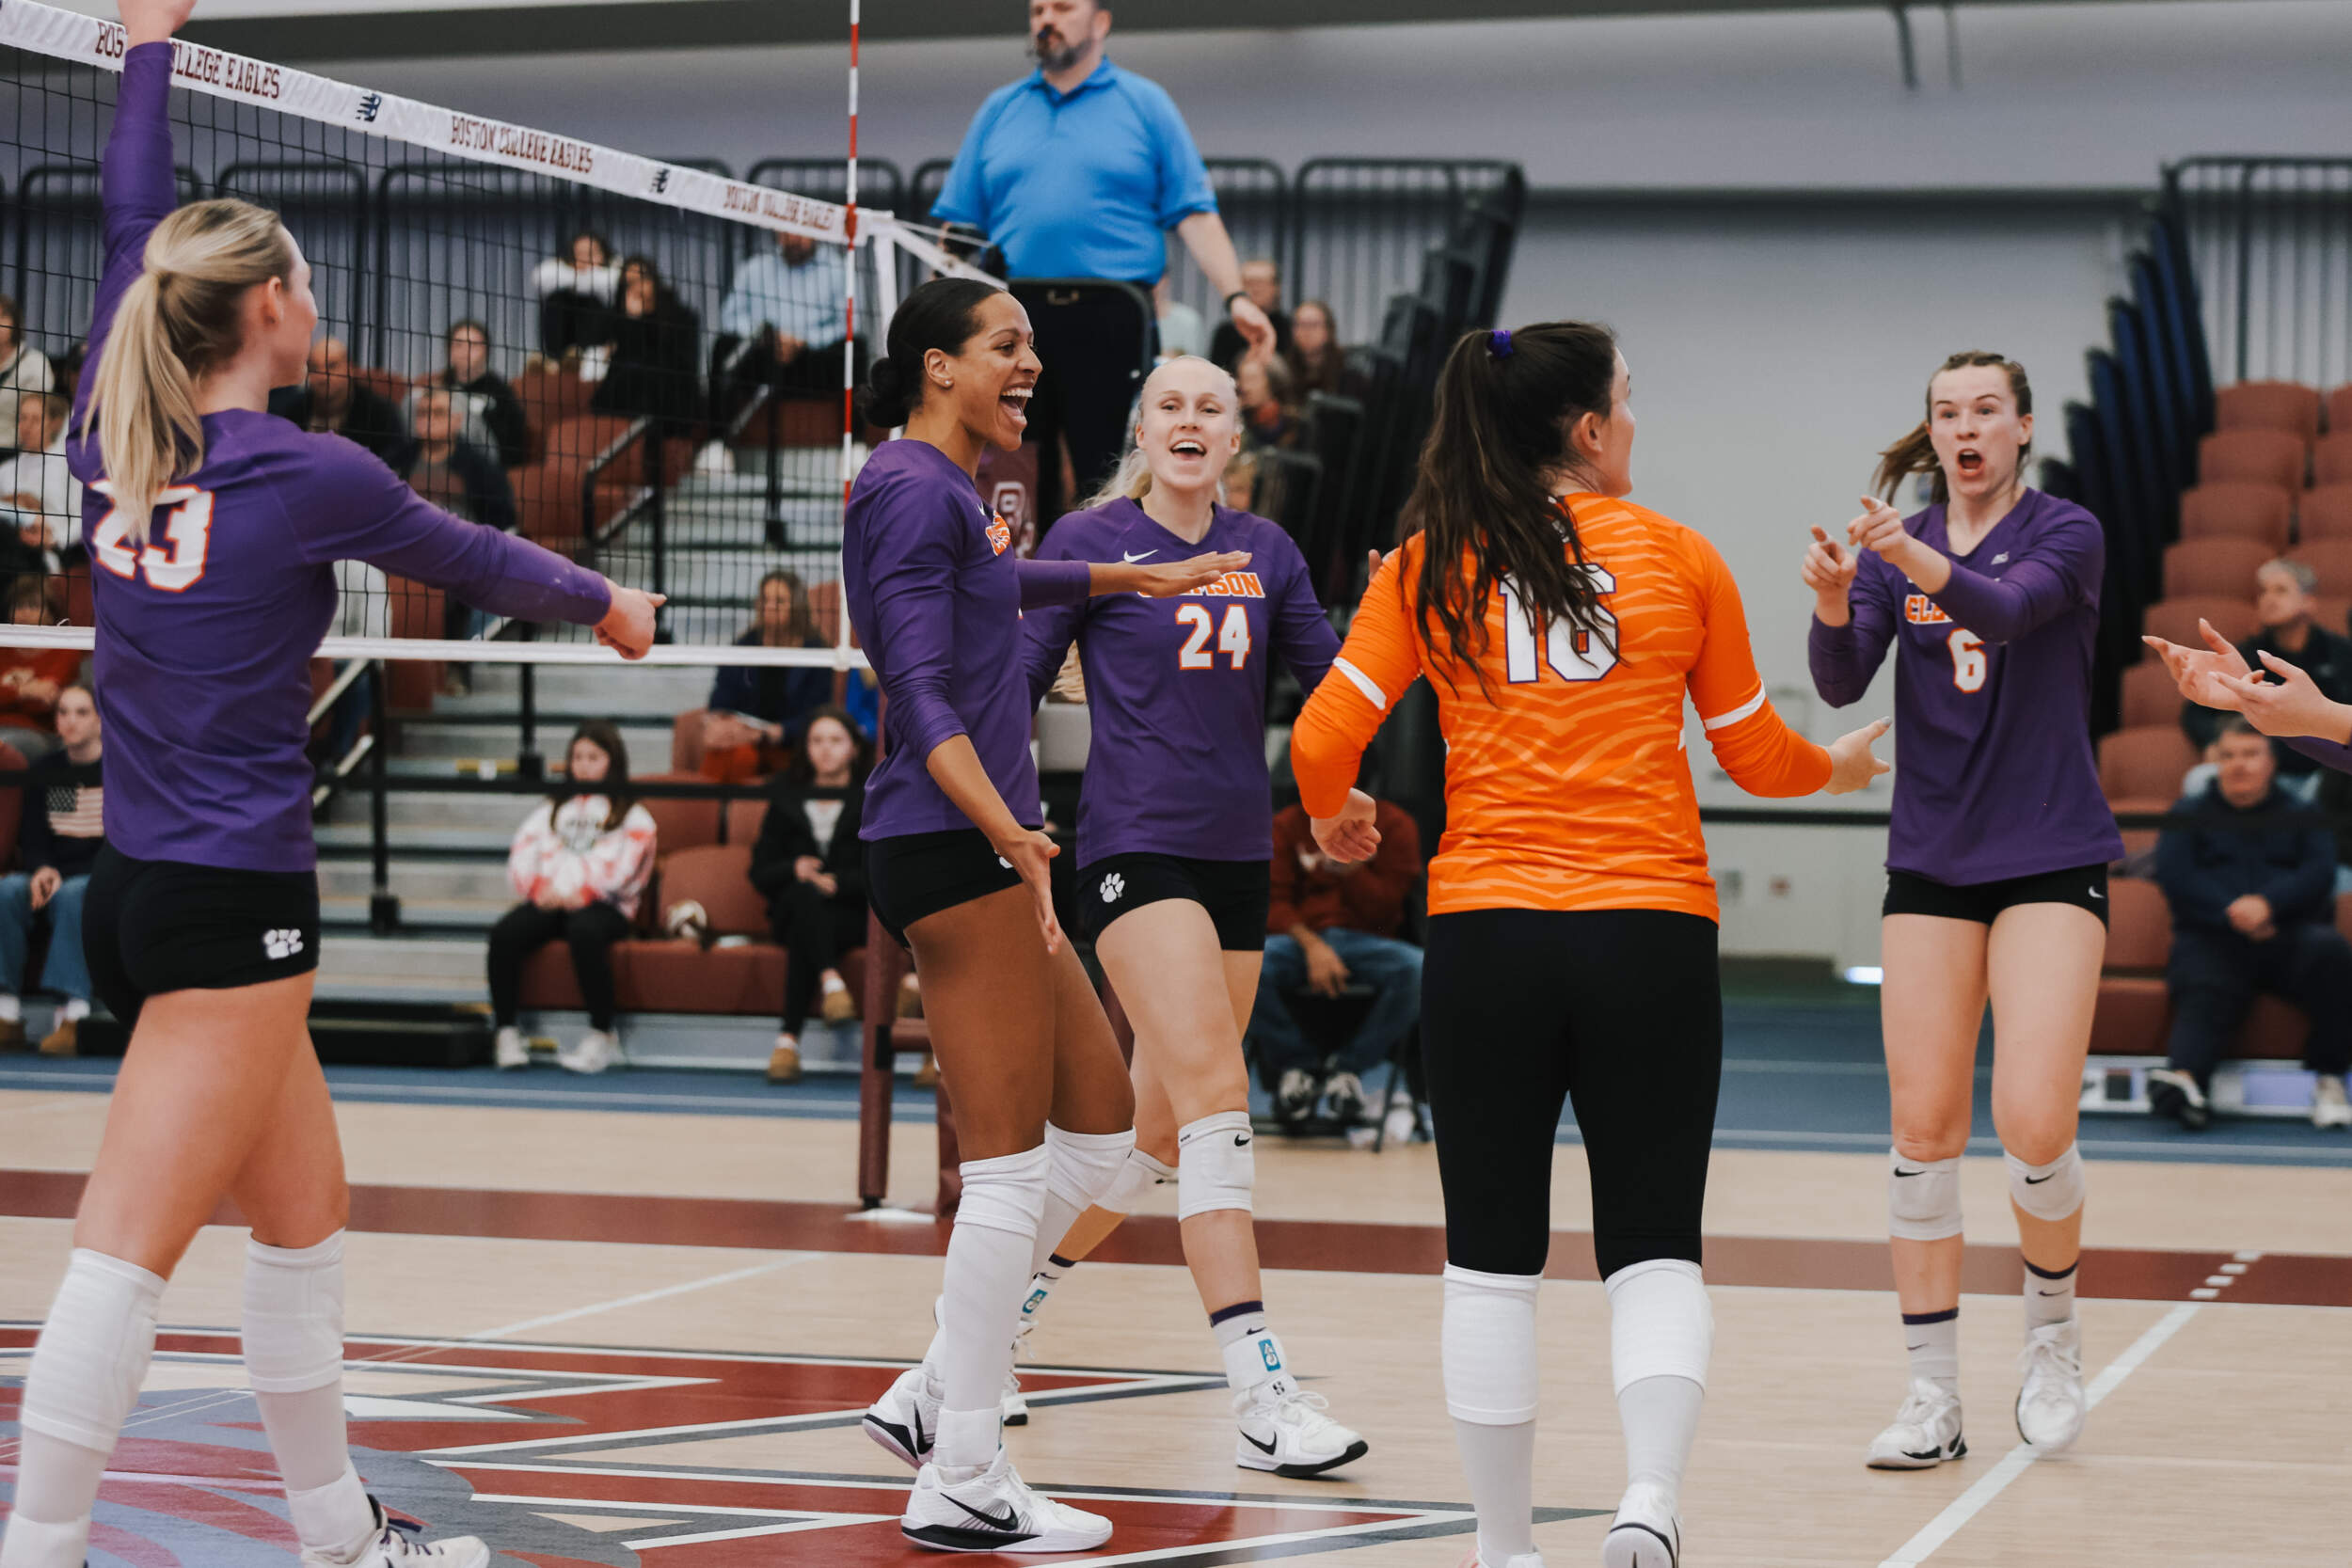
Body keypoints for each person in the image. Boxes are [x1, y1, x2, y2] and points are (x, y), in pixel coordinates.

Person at [0, 11, 661, 1568]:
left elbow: (128, 219)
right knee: (122, 1255)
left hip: (156, 891)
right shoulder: (309, 473)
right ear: (269, 309)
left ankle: (343, 1539)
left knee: (304, 1216)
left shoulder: (108, 431)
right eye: (300, 280)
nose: (317, 301)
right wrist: (612, 603)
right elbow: (482, 557)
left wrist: (148, 51)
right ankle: (39, 1547)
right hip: (231, 905)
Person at [1290, 321, 1889, 1568]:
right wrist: (1838, 766)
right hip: (1648, 931)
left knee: (1489, 1260)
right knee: (1655, 1245)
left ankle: (1504, 1546)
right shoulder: (1681, 555)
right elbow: (1752, 756)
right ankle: (1647, 1501)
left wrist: (1336, 815)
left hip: (1487, 935)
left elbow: (1318, 737)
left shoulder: (1429, 563)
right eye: (1627, 397)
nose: (1634, 418)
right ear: (1587, 428)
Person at [843, 277, 1248, 1552]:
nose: (1029, 364)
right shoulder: (909, 487)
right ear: (936, 364)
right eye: (1004, 345)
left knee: (1101, 1121)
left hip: (978, 837)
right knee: (1011, 1170)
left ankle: (929, 1388)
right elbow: (915, 684)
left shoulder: (954, 487)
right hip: (952, 839)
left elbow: (1003, 587)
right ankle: (962, 1468)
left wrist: (1139, 575)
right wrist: (1009, 829)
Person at [1010, 354, 1370, 1475]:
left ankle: (970, 1334)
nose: (1189, 418)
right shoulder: (1090, 539)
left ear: (1232, 440)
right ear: (1142, 429)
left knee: (1154, 1146)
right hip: (1134, 847)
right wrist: (1002, 821)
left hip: (1235, 857)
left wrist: (1342, 779)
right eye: (1169, 403)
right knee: (1220, 1104)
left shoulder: (1267, 551)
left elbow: (1332, 690)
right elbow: (1014, 680)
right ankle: (1262, 1397)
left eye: (1210, 406)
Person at [1805, 350, 2121, 1474]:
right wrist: (1835, 600)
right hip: (1933, 855)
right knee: (1922, 1133)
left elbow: (2008, 607)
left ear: (2021, 425)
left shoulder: (2064, 531)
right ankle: (1930, 1394)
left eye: (1986, 408)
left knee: (2033, 1123)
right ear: (1932, 432)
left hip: (2048, 849)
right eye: (1947, 412)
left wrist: (1904, 556)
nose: (1966, 426)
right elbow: (1840, 679)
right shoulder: (1898, 548)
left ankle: (2052, 1337)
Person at [930, 0, 1275, 524]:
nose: (1046, 19)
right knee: (1015, 470)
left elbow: (1195, 213)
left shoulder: (1145, 104)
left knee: (1112, 468)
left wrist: (1238, 297)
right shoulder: (1000, 109)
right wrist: (931, 313)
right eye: (1037, 10)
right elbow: (958, 229)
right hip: (1013, 316)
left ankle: (1115, 574)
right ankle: (1016, 573)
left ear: (1101, 22)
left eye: (1063, 7)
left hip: (1112, 318)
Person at [2150, 719, 2352, 1131]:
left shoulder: (2303, 813)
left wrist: (2268, 905)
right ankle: (2187, 1083)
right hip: (2213, 936)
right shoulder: (2187, 813)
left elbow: (2318, 873)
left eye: (2250, 754)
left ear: (2271, 761)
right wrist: (2232, 912)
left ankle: (2330, 1082)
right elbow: (2176, 877)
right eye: (2228, 755)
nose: (2239, 764)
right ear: (2215, 762)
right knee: (2202, 975)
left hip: (2287, 934)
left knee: (2331, 953)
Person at [486, 721, 656, 1077]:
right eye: (577, 757)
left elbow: (631, 867)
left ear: (612, 761)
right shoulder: (552, 809)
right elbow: (523, 851)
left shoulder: (633, 815)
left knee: (585, 932)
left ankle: (602, 1034)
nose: (584, 765)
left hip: (607, 905)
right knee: (505, 934)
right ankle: (506, 1031)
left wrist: (589, 891)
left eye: (593, 757)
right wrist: (537, 889)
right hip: (552, 900)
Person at [1250, 795, 1423, 1130]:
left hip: (1367, 941)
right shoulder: (1286, 825)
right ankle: (1298, 1069)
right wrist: (1313, 946)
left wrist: (1354, 871)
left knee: (1418, 969)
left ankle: (1346, 1070)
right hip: (1299, 938)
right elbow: (1271, 901)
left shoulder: (1394, 824)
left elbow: (1392, 908)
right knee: (1248, 963)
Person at [748, 706, 868, 1085]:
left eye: (835, 740)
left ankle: (788, 1041)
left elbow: (883, 870)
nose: (825, 749)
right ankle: (831, 982)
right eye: (817, 741)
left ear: (853, 748)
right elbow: (759, 872)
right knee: (804, 898)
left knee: (808, 927)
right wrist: (794, 869)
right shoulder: (786, 795)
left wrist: (840, 882)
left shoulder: (872, 796)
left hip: (852, 914)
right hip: (792, 911)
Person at [2179, 558, 2352, 782]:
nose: (2268, 599)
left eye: (2280, 591)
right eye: (2263, 592)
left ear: (2308, 602)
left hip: (2323, 769)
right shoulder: (2246, 653)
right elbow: (2194, 713)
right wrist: (2215, 740)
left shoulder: (2340, 652)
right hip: (2258, 768)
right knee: (2198, 779)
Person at [0, 684, 103, 1057]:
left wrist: (62, 876)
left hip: (99, 878)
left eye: (81, 712)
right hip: (53, 874)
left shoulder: (119, 772)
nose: (70, 721)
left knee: (74, 894)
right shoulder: (48, 770)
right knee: (8, 890)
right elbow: (35, 835)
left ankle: (72, 1014)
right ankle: (6, 1013)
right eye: (63, 712)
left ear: (101, 720)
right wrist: (43, 868)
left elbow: (120, 844)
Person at [700, 569, 834, 780]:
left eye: (779, 601)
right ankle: (713, 800)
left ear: (797, 606)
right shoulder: (744, 646)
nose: (770, 606)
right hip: (745, 740)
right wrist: (721, 722)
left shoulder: (817, 652)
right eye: (765, 600)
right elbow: (722, 698)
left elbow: (820, 713)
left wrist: (777, 732)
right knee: (734, 755)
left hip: (792, 743)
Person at [712, 229, 849, 419]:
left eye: (800, 230)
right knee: (723, 346)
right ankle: (718, 433)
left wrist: (805, 341)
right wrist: (763, 337)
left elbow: (849, 324)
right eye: (787, 231)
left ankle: (855, 433)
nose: (793, 237)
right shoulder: (754, 268)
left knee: (853, 349)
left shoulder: (838, 270)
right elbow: (730, 317)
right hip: (763, 353)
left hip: (812, 359)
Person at [590, 255, 702, 436]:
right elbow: (621, 358)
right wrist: (632, 320)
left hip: (671, 395)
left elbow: (676, 362)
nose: (636, 288)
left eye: (641, 280)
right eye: (629, 283)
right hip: (629, 393)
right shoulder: (618, 317)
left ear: (654, 281)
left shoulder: (680, 317)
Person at [269, 334, 406, 466]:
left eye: (332, 366)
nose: (323, 377)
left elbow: (393, 464)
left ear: (350, 369)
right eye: (314, 368)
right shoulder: (294, 412)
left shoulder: (380, 415)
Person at [399, 386, 515, 534]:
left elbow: (502, 521)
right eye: (422, 413)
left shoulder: (481, 467)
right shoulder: (398, 459)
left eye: (439, 413)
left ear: (457, 420)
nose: (429, 419)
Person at [429, 318, 529, 469]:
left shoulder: (501, 392)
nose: (465, 352)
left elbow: (513, 444)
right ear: (449, 350)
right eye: (458, 345)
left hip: (485, 469)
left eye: (474, 345)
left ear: (486, 351)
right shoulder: (435, 389)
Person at [0, 578, 79, 762]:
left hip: (37, 733)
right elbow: (36, 695)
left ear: (51, 614)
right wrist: (24, 691)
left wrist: (7, 692)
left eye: (33, 606)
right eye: (19, 606)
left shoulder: (65, 650)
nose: (25, 613)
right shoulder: (2, 647)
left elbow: (43, 704)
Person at [0, 391, 84, 563]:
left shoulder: (68, 465)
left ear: (54, 424)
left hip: (54, 555)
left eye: (36, 420)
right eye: (23, 418)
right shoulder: (6, 470)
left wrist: (55, 540)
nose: (27, 426)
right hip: (10, 550)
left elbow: (82, 519)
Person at [530, 228, 620, 363]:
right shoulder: (559, 272)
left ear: (604, 254)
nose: (585, 259)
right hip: (563, 342)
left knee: (592, 300)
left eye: (591, 253)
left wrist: (576, 277)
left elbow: (609, 281)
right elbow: (539, 277)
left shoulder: (615, 271)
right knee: (557, 299)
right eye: (579, 253)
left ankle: (581, 356)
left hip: (597, 347)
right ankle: (556, 360)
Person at [1210, 257, 1291, 371]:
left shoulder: (1291, 328)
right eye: (1249, 283)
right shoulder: (1225, 332)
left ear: (1276, 287)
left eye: (1261, 282)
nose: (1255, 289)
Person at [0, 293, 56, 451]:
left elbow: (38, 416)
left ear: (14, 322)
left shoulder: (34, 363)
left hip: (16, 451)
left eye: (3, 316)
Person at [1286, 298, 1357, 400]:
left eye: (1313, 325)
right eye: (1299, 324)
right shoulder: (1284, 370)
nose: (1306, 332)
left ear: (1328, 331)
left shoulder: (1348, 373)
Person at [1236, 353, 1300, 451]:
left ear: (1272, 381)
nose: (1245, 387)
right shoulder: (1239, 418)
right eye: (1242, 379)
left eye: (1252, 379)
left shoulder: (1293, 422)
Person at [1153, 276, 1207, 361]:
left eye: (1154, 279)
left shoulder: (1188, 320)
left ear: (1165, 281)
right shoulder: (1133, 318)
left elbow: (1197, 362)